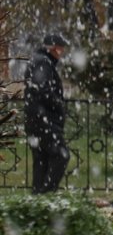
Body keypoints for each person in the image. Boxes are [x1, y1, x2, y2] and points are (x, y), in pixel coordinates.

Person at [24, 33, 70, 194]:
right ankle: (46, 195)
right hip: (43, 120)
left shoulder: (40, 61)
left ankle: (38, 200)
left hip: (37, 119)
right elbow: (42, 90)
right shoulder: (43, 62)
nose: (62, 51)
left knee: (41, 160)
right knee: (60, 156)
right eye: (60, 48)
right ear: (53, 48)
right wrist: (59, 105)